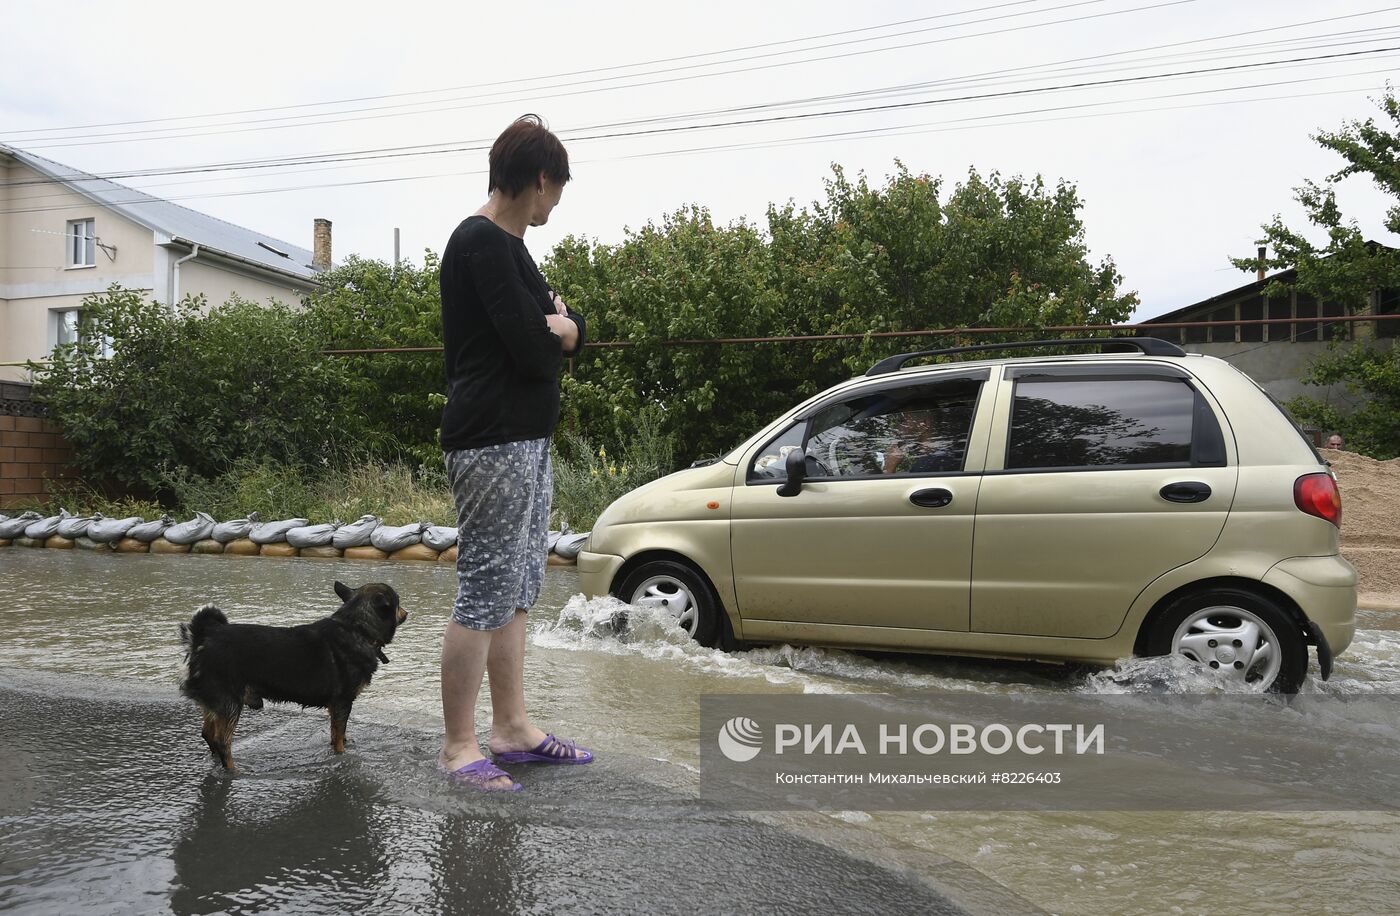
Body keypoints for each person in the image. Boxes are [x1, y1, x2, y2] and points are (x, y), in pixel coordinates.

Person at [437, 115, 591, 791]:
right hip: (492, 439)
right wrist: (556, 329)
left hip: (524, 441)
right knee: (484, 590)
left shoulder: (513, 248)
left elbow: (569, 326)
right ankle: (459, 746)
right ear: (538, 180)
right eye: (556, 189)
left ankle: (511, 727)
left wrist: (563, 326)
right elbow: (537, 345)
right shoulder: (480, 243)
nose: (556, 202)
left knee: (518, 586)